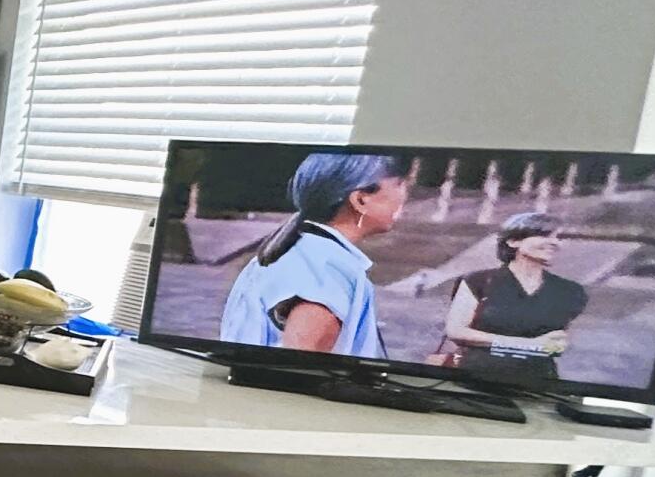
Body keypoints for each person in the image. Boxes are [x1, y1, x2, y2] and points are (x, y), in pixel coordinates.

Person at [216, 151, 409, 356]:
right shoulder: (327, 267)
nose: (405, 193)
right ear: (360, 200)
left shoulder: (303, 250)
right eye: (398, 184)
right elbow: (300, 369)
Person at [437, 211, 586, 384]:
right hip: (471, 381)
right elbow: (456, 332)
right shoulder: (478, 281)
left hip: (538, 387)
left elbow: (557, 345)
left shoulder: (569, 291)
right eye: (543, 235)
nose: (554, 242)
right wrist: (529, 345)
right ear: (513, 241)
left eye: (558, 237)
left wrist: (548, 346)